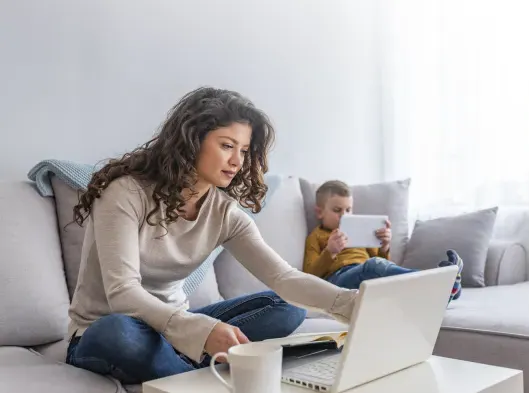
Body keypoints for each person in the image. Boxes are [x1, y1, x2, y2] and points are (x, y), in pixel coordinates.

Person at [65, 87, 358, 385]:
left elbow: (284, 278)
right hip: (104, 329)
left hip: (176, 333)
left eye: (243, 151)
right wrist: (199, 331)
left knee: (286, 305)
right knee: (117, 333)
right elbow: (122, 292)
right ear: (192, 142)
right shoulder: (125, 193)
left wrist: (353, 303)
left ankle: (187, 368)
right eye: (227, 146)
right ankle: (203, 370)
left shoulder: (225, 214)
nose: (237, 162)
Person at [303, 180, 463, 298]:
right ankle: (440, 280)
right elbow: (309, 275)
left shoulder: (358, 229)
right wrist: (330, 252)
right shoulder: (317, 236)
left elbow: (382, 262)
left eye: (349, 210)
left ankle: (447, 291)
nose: (345, 215)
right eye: (337, 210)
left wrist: (385, 246)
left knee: (380, 272)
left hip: (366, 272)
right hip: (338, 279)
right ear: (319, 212)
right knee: (374, 266)